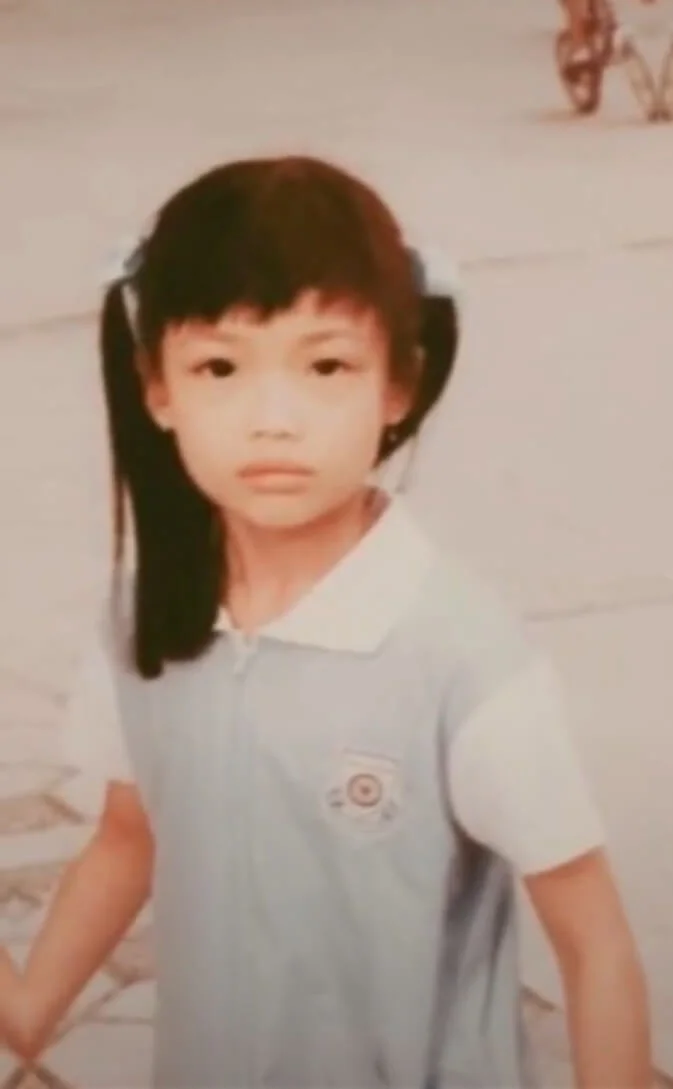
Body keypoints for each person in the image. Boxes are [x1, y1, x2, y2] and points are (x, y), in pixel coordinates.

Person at [0, 156, 651, 1087]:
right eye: (219, 366)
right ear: (156, 389)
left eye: (326, 365)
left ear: (398, 385)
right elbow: (127, 835)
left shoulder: (459, 659)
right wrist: (28, 1005)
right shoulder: (142, 621)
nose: (274, 418)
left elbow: (593, 943)